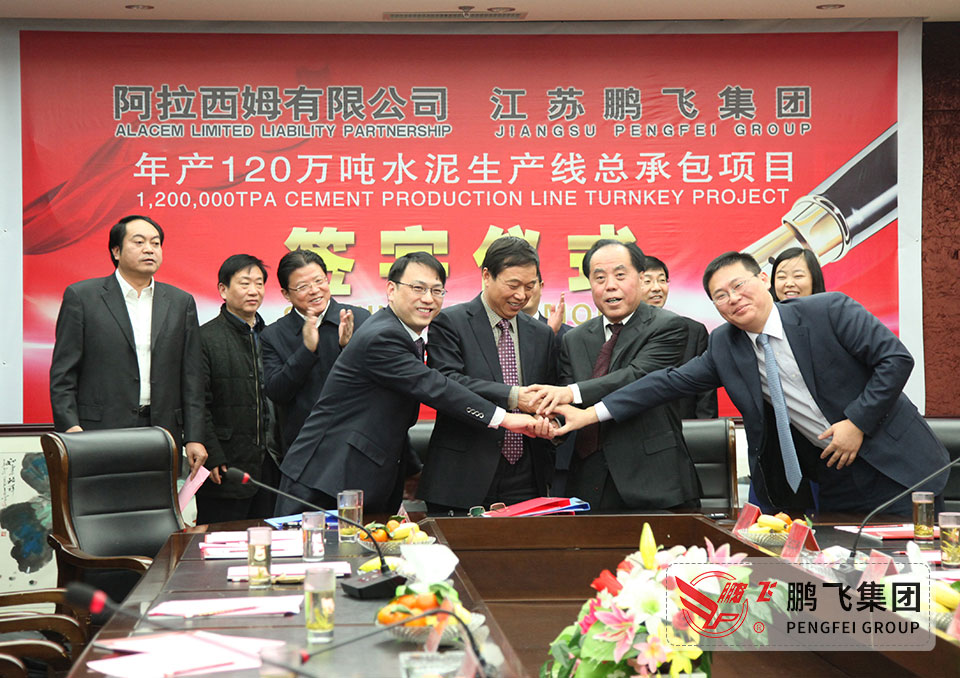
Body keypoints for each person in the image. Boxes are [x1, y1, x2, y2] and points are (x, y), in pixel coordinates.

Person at [546, 251, 949, 516]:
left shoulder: (828, 310)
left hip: (900, 467)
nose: (733, 298)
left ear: (763, 279)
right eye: (720, 296)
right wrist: (588, 414)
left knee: (919, 580)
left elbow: (895, 360)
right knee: (849, 581)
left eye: (739, 285)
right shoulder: (726, 345)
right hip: (834, 478)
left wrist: (856, 422)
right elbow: (664, 383)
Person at [274, 251, 552, 515]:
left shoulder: (407, 337)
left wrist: (411, 470)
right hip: (324, 480)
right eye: (418, 289)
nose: (428, 299)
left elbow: (390, 417)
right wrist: (506, 418)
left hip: (355, 479)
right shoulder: (383, 336)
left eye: (436, 291)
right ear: (391, 290)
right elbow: (436, 386)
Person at [528, 240, 700, 510]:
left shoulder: (668, 326)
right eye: (599, 278)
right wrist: (551, 423)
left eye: (620, 275)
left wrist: (570, 392)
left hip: (653, 479)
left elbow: (637, 377)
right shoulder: (575, 338)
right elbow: (568, 400)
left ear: (640, 278)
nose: (610, 285)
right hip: (587, 482)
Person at [49, 214, 207, 477]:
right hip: (98, 432)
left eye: (155, 243)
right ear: (116, 251)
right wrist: (70, 427)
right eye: (139, 242)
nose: (149, 249)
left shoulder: (181, 302)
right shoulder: (83, 297)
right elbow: (63, 373)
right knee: (104, 499)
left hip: (162, 431)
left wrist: (194, 436)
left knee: (155, 500)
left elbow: (192, 377)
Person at [417, 237, 559, 512]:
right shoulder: (450, 322)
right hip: (463, 473)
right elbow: (448, 382)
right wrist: (513, 397)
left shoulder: (541, 334)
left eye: (530, 286)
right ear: (486, 276)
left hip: (527, 475)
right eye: (513, 285)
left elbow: (550, 391)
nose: (522, 295)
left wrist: (549, 420)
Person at [196, 254, 281, 524]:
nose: (253, 291)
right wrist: (213, 453)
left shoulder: (273, 336)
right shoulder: (204, 338)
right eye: (244, 283)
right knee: (223, 541)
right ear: (223, 290)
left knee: (270, 540)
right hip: (226, 465)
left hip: (271, 465)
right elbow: (196, 402)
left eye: (259, 283)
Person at [261, 249, 370, 453]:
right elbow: (277, 392)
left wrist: (348, 348)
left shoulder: (359, 319)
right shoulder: (273, 335)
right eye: (303, 286)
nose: (314, 290)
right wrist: (307, 351)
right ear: (286, 294)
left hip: (356, 442)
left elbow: (376, 381)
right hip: (304, 447)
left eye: (319, 281)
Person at [640, 255, 718, 419]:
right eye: (647, 281)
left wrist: (705, 428)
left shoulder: (693, 331)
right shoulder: (620, 332)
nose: (656, 288)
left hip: (684, 426)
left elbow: (706, 393)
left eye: (662, 280)